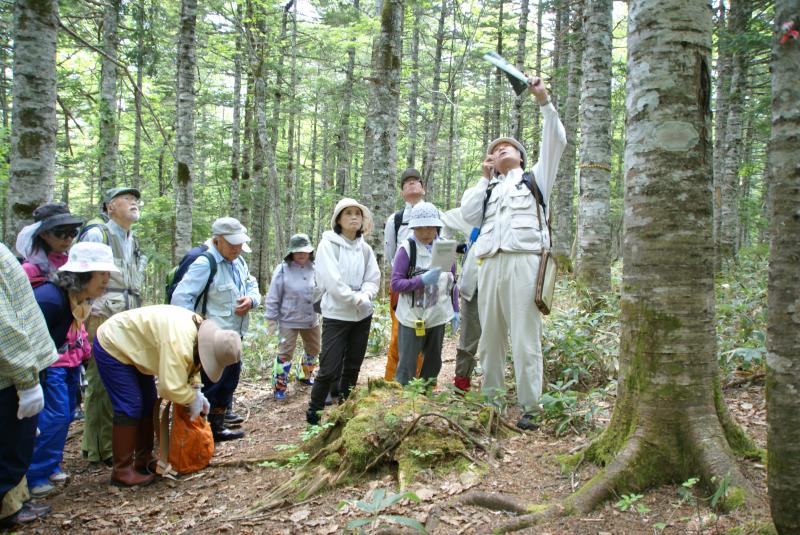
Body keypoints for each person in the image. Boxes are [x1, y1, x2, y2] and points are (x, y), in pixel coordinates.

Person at [460, 76, 566, 430]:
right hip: (489, 264)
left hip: (525, 264)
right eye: (496, 149)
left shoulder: (536, 179)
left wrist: (544, 101)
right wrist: (483, 177)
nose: (501, 150)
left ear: (520, 155)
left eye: (508, 147)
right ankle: (491, 402)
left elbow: (556, 140)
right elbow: (468, 214)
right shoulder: (487, 190)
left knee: (524, 338)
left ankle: (530, 408)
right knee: (489, 340)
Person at [93, 305, 241, 486]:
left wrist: (196, 390)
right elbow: (170, 388)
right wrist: (192, 398)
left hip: (138, 348)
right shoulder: (179, 340)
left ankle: (143, 459)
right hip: (114, 343)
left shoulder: (196, 334)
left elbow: (192, 360)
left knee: (148, 401)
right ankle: (121, 471)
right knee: (131, 405)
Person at [25, 242, 117, 498]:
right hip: (43, 368)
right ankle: (34, 475)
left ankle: (48, 466)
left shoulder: (71, 300)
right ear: (82, 275)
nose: (106, 281)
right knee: (52, 416)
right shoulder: (51, 300)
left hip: (62, 363)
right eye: (102, 275)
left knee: (64, 414)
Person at [171, 217, 261, 441]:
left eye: (240, 244)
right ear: (217, 240)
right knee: (210, 386)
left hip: (233, 338)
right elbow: (182, 298)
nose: (237, 249)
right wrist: (189, 331)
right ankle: (198, 433)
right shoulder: (205, 263)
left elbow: (251, 284)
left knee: (228, 383)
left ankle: (217, 427)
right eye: (232, 244)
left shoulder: (238, 261)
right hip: (210, 341)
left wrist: (251, 300)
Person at [78, 186, 146, 465]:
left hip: (126, 320)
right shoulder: (99, 235)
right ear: (109, 207)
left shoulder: (133, 240)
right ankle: (97, 447)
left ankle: (114, 442)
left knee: (122, 380)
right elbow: (81, 278)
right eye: (127, 200)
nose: (134, 204)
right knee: (100, 382)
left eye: (135, 200)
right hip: (100, 318)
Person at [306, 198, 380, 425]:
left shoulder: (365, 249)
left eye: (357, 213)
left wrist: (366, 295)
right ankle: (314, 414)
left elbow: (373, 277)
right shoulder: (328, 245)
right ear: (338, 219)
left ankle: (345, 413)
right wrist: (355, 298)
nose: (354, 217)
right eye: (348, 213)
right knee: (329, 368)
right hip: (336, 315)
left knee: (353, 365)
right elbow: (332, 282)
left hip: (362, 315)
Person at [16, 203, 91, 425]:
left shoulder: (73, 265)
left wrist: (84, 345)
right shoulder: (30, 270)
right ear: (43, 234)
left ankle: (51, 460)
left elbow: (77, 309)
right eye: (60, 232)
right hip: (50, 359)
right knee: (53, 418)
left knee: (66, 414)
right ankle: (42, 461)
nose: (67, 238)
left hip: (73, 355)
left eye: (72, 232)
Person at [0, 242, 58, 528]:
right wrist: (26, 379)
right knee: (12, 445)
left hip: (19, 370)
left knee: (17, 442)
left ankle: (11, 504)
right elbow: (4, 327)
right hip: (11, 376)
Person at [390, 202, 458, 386]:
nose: (426, 231)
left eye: (430, 227)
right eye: (420, 227)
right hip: (413, 315)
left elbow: (452, 281)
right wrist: (421, 280)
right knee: (408, 361)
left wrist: (456, 310)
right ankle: (405, 399)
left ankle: (426, 394)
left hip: (438, 313)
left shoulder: (444, 247)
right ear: (413, 228)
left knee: (434, 360)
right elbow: (396, 283)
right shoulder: (407, 250)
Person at [263, 233, 321, 401]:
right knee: (285, 353)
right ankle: (279, 387)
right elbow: (273, 296)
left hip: (311, 318)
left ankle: (304, 375)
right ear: (291, 253)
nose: (302, 254)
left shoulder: (316, 267)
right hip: (288, 319)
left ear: (310, 251)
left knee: (314, 349)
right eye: (298, 252)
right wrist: (271, 320)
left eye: (305, 251)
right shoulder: (282, 269)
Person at [383, 168, 427, 381]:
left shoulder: (435, 215)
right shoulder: (396, 219)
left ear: (423, 188)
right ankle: (392, 382)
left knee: (425, 334)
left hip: (429, 287)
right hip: (401, 286)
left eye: (415, 181)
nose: (411, 184)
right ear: (402, 192)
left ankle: (421, 383)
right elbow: (390, 254)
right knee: (398, 334)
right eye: (406, 183)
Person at [440, 208, 481, 393]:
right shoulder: (475, 210)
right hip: (475, 284)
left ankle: (496, 386)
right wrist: (444, 261)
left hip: (506, 283)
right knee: (469, 337)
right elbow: (445, 221)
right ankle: (461, 383)